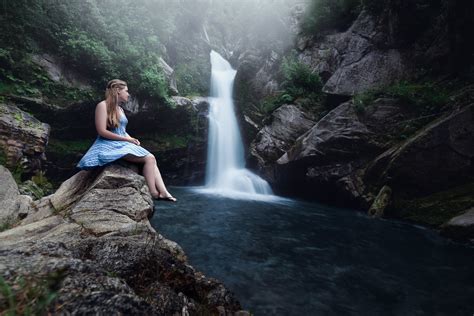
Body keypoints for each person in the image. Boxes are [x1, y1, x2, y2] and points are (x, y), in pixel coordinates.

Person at [77, 79, 177, 202]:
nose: (128, 94)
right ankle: (153, 193)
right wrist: (126, 140)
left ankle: (164, 192)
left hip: (122, 142)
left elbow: (122, 130)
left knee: (151, 158)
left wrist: (131, 139)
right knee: (149, 158)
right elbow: (102, 131)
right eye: (126, 91)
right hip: (108, 144)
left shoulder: (120, 109)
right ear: (118, 91)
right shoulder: (102, 106)